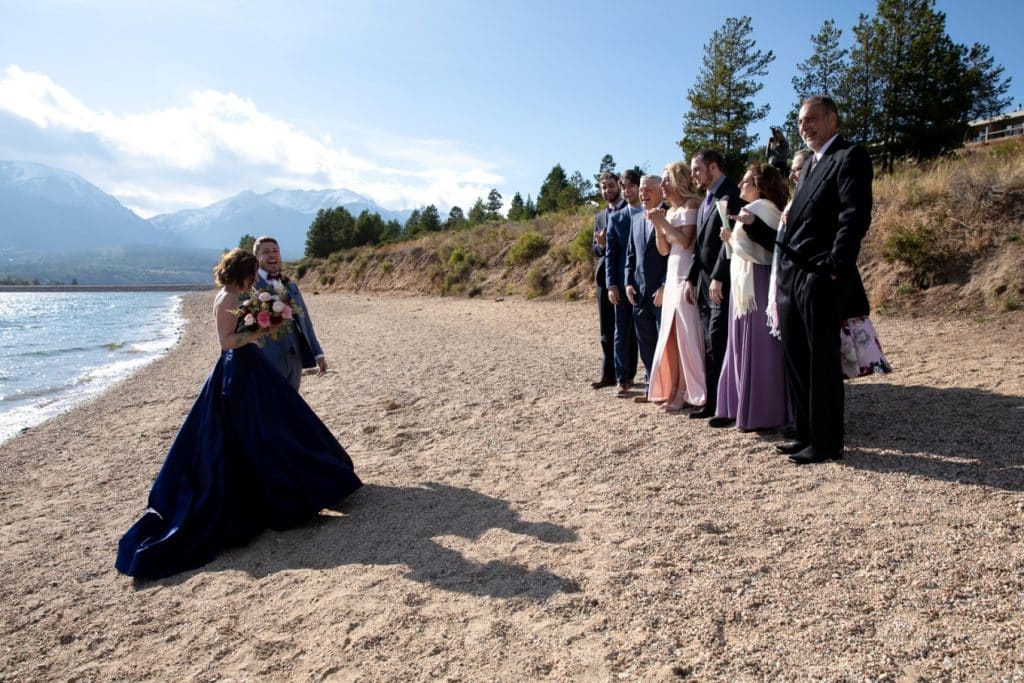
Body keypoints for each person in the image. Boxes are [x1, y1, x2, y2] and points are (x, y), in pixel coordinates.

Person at [115, 249, 362, 579]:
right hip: (240, 372)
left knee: (277, 425)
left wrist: (261, 321)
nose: (252, 281)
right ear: (243, 274)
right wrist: (260, 329)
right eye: (251, 274)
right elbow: (227, 341)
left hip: (250, 369)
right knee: (264, 431)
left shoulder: (232, 295)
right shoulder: (228, 298)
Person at [775, 95, 873, 465]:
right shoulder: (813, 164)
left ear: (833, 119)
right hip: (793, 273)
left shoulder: (849, 156)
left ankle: (827, 441)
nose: (805, 126)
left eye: (812, 119)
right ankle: (805, 432)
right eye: (801, 121)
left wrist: (837, 263)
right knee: (796, 355)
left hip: (821, 272)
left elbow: (854, 214)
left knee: (821, 360)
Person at [710, 163, 792, 431]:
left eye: (745, 181)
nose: (740, 186)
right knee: (750, 343)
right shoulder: (770, 209)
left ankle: (757, 409)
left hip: (754, 282)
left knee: (755, 344)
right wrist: (730, 240)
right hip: (747, 281)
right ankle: (752, 406)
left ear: (758, 185)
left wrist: (730, 240)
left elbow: (759, 249)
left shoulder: (758, 209)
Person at [685, 150, 743, 419]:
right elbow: (700, 246)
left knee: (720, 342)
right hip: (704, 283)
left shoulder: (731, 194)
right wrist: (690, 278)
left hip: (725, 282)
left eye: (697, 169)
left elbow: (728, 241)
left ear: (713, 167)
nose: (694, 174)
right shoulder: (705, 200)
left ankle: (725, 406)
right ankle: (712, 402)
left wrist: (719, 276)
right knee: (710, 343)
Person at [644, 162, 706, 411]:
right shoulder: (669, 212)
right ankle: (675, 388)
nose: (663, 186)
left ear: (679, 181)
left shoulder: (692, 205)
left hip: (687, 273)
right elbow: (664, 249)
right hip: (672, 273)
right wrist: (659, 225)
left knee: (686, 335)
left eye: (666, 180)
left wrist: (664, 223)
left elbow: (686, 240)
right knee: (670, 335)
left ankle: (690, 390)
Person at [254, 236, 326, 390]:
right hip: (266, 359)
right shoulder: (249, 286)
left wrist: (318, 354)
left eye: (275, 251)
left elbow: (305, 321)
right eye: (266, 252)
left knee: (292, 406)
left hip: (295, 358)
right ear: (257, 257)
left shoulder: (290, 285)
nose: (272, 255)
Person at [625, 175, 669, 398]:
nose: (643, 194)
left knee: (665, 344)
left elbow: (676, 255)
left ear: (661, 191)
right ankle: (651, 385)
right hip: (639, 294)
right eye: (641, 190)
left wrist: (664, 284)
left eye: (648, 190)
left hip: (662, 293)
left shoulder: (671, 214)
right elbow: (631, 255)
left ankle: (668, 388)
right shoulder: (635, 219)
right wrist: (628, 283)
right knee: (646, 344)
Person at [605, 169, 642, 396]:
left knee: (647, 332)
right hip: (620, 283)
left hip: (646, 283)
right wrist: (611, 285)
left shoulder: (653, 213)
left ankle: (652, 376)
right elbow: (610, 253)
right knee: (621, 332)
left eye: (631, 186)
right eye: (624, 186)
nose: (627, 191)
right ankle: (622, 378)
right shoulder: (616, 218)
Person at [590, 171, 626, 389]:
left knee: (624, 330)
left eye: (611, 186)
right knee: (606, 330)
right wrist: (602, 244)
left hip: (623, 277)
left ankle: (627, 374)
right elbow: (595, 249)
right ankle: (608, 374)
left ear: (618, 186)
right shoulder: (600, 217)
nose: (608, 190)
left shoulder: (629, 211)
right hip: (603, 279)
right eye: (604, 187)